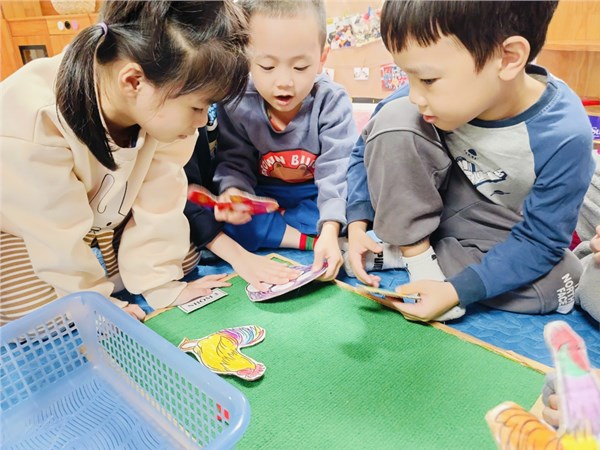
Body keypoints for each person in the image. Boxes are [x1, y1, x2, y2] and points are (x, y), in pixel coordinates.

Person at [0, 1, 250, 325]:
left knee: (179, 262)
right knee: (37, 317)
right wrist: (98, 305)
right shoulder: (34, 120)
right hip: (23, 227)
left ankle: (108, 264)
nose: (203, 121)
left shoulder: (163, 110)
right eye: (197, 108)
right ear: (133, 82)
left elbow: (161, 199)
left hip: (102, 216)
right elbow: (54, 238)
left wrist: (160, 284)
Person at [345, 0, 595, 321]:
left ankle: (397, 252)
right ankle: (416, 257)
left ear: (508, 58)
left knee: (562, 281)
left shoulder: (565, 133)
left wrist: (457, 291)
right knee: (396, 119)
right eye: (407, 76)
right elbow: (363, 149)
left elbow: (540, 240)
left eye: (428, 80)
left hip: (486, 230)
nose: (415, 95)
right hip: (418, 204)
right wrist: (357, 224)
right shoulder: (418, 99)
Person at [212, 0, 358, 280]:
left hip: (316, 195)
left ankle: (316, 235)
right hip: (265, 197)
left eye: (300, 67)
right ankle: (310, 240)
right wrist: (235, 193)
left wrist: (330, 227)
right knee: (227, 223)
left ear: (322, 58)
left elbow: (337, 171)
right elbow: (233, 161)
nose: (284, 82)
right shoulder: (236, 101)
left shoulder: (331, 100)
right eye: (267, 66)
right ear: (246, 58)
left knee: (358, 204)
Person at [184, 109, 300, 291]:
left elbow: (235, 158)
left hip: (223, 193)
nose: (202, 119)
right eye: (197, 108)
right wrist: (239, 257)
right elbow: (180, 195)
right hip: (192, 214)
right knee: (183, 259)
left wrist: (233, 191)